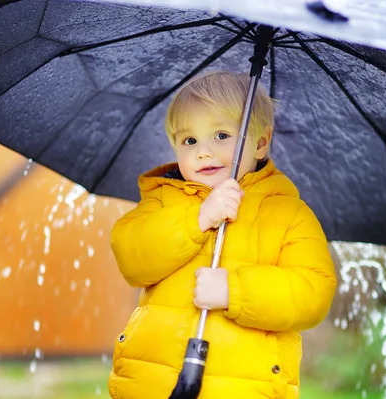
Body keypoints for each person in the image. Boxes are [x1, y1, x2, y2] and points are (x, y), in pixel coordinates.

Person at [108, 71, 337, 399]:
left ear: (260, 143)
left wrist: (235, 290)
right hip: (154, 382)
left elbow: (312, 291)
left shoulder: (287, 214)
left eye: (221, 135)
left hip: (244, 387)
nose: (203, 152)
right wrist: (197, 220)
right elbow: (131, 255)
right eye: (190, 141)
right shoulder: (163, 200)